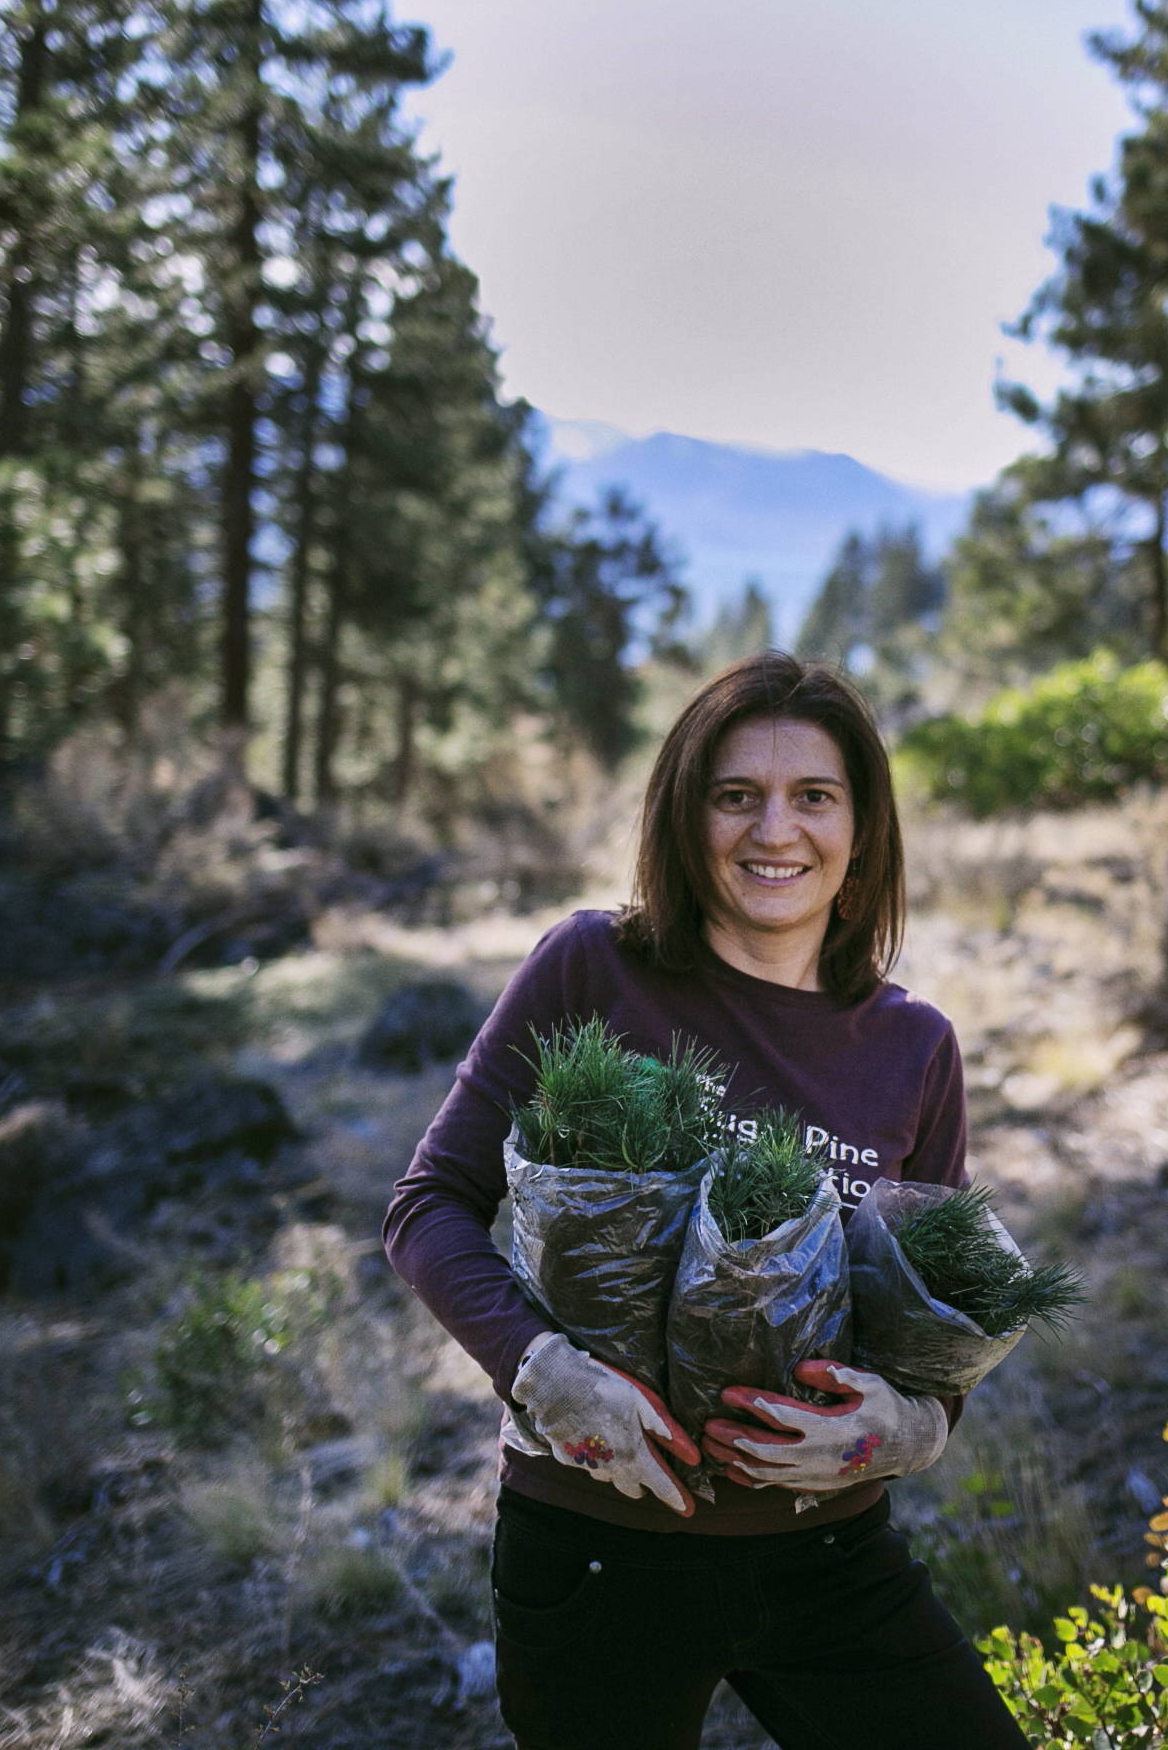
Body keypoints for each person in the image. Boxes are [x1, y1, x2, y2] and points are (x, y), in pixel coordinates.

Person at [383, 651, 1031, 1750]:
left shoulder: (914, 1047)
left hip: (830, 1555)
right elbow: (428, 1206)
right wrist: (544, 1373)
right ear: (687, 817)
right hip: (595, 1549)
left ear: (862, 829)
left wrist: (908, 1428)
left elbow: (940, 1323)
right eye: (737, 796)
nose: (774, 830)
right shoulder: (594, 968)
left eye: (813, 797)